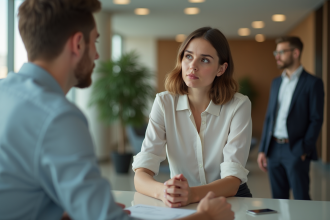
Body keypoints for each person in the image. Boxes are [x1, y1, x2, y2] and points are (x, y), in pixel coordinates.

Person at [0, 0, 235, 220]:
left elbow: (24, 195)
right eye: (95, 42)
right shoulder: (58, 118)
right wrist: (206, 217)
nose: (97, 55)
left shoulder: (5, 94)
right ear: (78, 44)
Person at [133, 27, 253, 208]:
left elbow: (233, 180)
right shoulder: (164, 102)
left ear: (221, 69)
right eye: (188, 56)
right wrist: (164, 192)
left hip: (229, 198)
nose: (192, 65)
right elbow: (141, 173)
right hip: (182, 200)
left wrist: (192, 194)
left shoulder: (239, 105)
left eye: (204, 60)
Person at [257, 36, 324, 200]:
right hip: (273, 148)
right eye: (276, 52)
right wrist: (263, 149)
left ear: (295, 52)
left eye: (281, 52)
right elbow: (269, 117)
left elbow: (316, 119)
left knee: (301, 199)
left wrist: (304, 149)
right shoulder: (276, 82)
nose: (277, 56)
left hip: (295, 149)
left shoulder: (313, 83)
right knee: (278, 200)